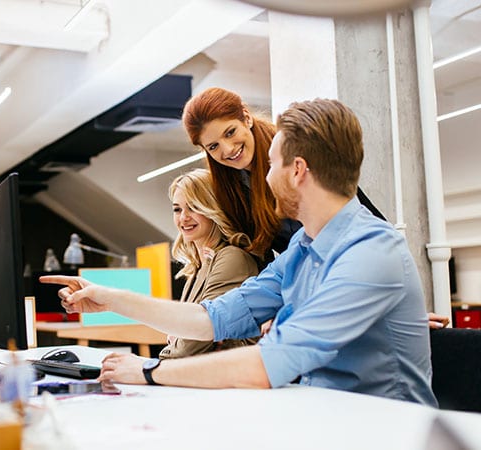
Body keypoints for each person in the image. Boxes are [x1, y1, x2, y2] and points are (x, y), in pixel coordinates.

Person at [42, 98, 437, 406]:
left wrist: (149, 370)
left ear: (297, 170)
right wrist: (109, 297)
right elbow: (212, 318)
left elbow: (267, 365)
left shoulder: (370, 251)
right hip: (320, 414)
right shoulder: (300, 250)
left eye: (270, 165)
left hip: (382, 429)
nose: (262, 177)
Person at [183, 86, 448, 330]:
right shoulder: (232, 187)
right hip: (305, 288)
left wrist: (398, 309)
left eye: (230, 132)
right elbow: (264, 266)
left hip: (343, 284)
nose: (228, 149)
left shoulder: (292, 151)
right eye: (214, 146)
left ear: (246, 117)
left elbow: (369, 229)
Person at [160, 169, 259, 359]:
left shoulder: (231, 258)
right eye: (177, 209)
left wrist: (175, 342)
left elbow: (188, 348)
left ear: (213, 208)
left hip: (230, 380)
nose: (184, 218)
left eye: (194, 207)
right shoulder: (199, 266)